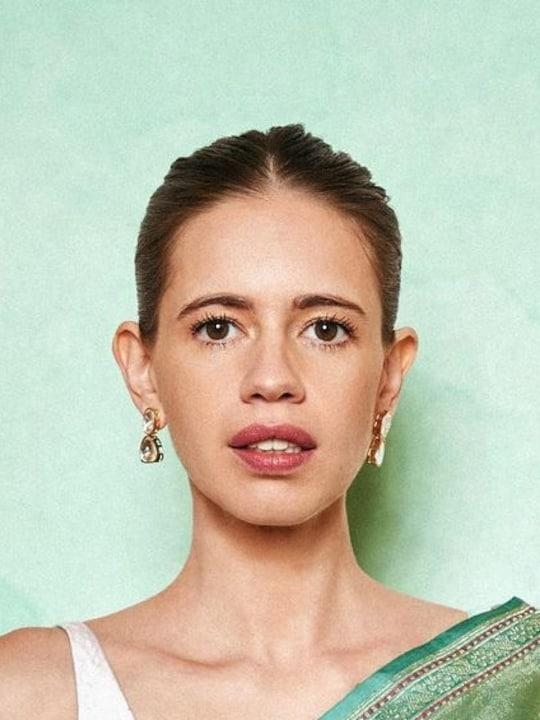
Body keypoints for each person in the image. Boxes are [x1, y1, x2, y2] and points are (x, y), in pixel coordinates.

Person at [0, 124, 538, 718]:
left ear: (388, 376)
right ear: (143, 370)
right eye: (218, 328)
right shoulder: (31, 692)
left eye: (326, 329)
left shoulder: (513, 691)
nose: (273, 378)